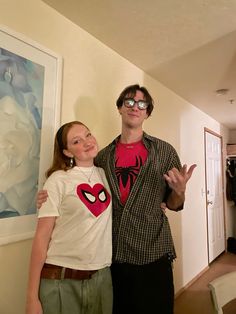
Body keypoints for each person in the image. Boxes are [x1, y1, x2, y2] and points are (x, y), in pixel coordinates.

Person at [37, 85, 196, 314]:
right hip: (114, 258)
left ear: (147, 112)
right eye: (129, 102)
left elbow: (174, 204)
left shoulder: (164, 151)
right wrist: (46, 195)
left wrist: (179, 191)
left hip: (154, 254)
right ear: (120, 108)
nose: (135, 107)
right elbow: (79, 184)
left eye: (142, 104)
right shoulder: (103, 156)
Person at [26, 121, 113, 314]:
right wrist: (31, 298)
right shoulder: (58, 180)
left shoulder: (105, 174)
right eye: (77, 141)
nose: (87, 142)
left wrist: (162, 201)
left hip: (101, 279)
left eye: (88, 135)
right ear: (67, 152)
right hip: (61, 281)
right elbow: (41, 238)